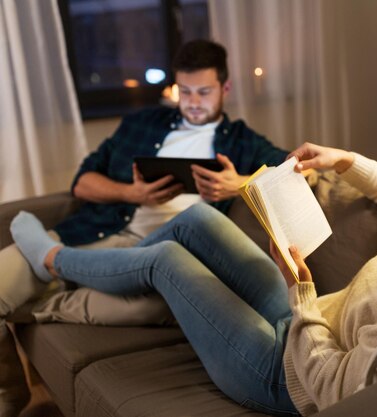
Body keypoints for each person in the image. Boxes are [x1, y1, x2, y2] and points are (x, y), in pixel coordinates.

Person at [10, 100, 377, 416]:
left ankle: (53, 260)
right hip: (301, 327)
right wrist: (342, 159)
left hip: (283, 378)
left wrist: (299, 290)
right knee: (199, 219)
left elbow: (333, 389)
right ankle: (77, 270)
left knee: (166, 263)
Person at [0, 39, 288, 416]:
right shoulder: (141, 124)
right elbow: (82, 182)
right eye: (185, 92)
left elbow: (294, 173)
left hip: (160, 258)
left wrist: (240, 183)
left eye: (204, 92)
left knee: (159, 303)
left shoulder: (243, 142)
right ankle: (9, 396)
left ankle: (49, 277)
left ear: (225, 89)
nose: (193, 101)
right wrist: (131, 192)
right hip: (95, 234)